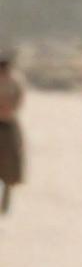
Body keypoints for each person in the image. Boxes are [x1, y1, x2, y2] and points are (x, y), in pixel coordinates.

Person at [0, 48, 25, 214]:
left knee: (10, 167)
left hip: (8, 125)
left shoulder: (14, 82)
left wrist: (8, 109)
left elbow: (18, 100)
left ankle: (5, 205)